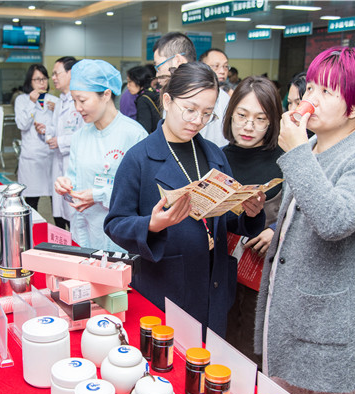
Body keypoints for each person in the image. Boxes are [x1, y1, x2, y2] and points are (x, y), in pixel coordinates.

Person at [253, 47, 355, 394]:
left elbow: (335, 221)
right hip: (292, 314)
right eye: (311, 88)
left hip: (329, 326)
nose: (311, 99)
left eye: (327, 92)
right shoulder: (314, 146)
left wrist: (297, 152)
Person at [104, 62, 266, 337]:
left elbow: (224, 217)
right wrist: (151, 225)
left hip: (213, 285)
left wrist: (249, 212)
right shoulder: (140, 158)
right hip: (166, 287)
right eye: (190, 110)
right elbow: (115, 223)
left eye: (207, 114)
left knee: (210, 355)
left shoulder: (213, 154)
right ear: (168, 101)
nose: (197, 121)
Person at [221, 76, 284, 368]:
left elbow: (303, 213)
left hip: (263, 271)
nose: (249, 126)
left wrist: (276, 230)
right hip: (220, 269)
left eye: (260, 119)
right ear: (230, 114)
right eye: (242, 116)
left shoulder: (285, 161)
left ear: (272, 122)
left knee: (252, 347)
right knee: (219, 340)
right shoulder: (216, 157)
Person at [54, 59, 147, 251]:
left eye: (82, 100)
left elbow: (141, 193)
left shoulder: (134, 135)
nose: (77, 108)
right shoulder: (79, 137)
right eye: (74, 101)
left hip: (121, 239)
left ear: (106, 94)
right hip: (85, 234)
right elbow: (74, 180)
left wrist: (98, 195)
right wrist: (66, 186)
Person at [45, 56, 83, 230]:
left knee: (73, 212)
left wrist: (60, 141)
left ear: (70, 73)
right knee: (59, 210)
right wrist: (48, 134)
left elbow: (84, 134)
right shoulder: (59, 102)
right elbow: (54, 127)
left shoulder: (80, 101)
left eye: (56, 73)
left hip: (72, 161)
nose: (53, 78)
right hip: (58, 160)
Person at [14, 64, 57, 211]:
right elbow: (22, 125)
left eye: (44, 78)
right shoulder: (22, 100)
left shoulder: (54, 101)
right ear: (30, 81)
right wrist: (32, 102)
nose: (42, 83)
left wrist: (57, 110)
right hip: (32, 158)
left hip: (51, 156)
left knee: (55, 200)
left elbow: (61, 127)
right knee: (32, 201)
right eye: (37, 79)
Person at [198, 48, 232, 147]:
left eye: (225, 66)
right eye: (216, 66)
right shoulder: (194, 95)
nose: (222, 71)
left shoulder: (226, 97)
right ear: (202, 67)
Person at [127, 65, 160, 133]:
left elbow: (144, 129)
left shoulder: (142, 100)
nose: (128, 86)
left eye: (130, 82)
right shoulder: (152, 93)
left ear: (139, 81)